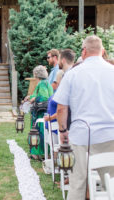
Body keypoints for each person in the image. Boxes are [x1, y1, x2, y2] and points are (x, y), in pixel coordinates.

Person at [54, 35, 114, 200]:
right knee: (111, 183)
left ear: (84, 51)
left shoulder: (73, 73)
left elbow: (61, 107)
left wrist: (63, 130)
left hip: (81, 136)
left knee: (77, 182)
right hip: (110, 134)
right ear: (102, 51)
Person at [24, 65, 53, 160]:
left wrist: (33, 99)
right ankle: (43, 153)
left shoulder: (41, 84)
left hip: (40, 112)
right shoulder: (46, 83)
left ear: (36, 74)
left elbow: (44, 97)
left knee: (37, 132)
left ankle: (36, 154)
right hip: (44, 111)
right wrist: (30, 96)